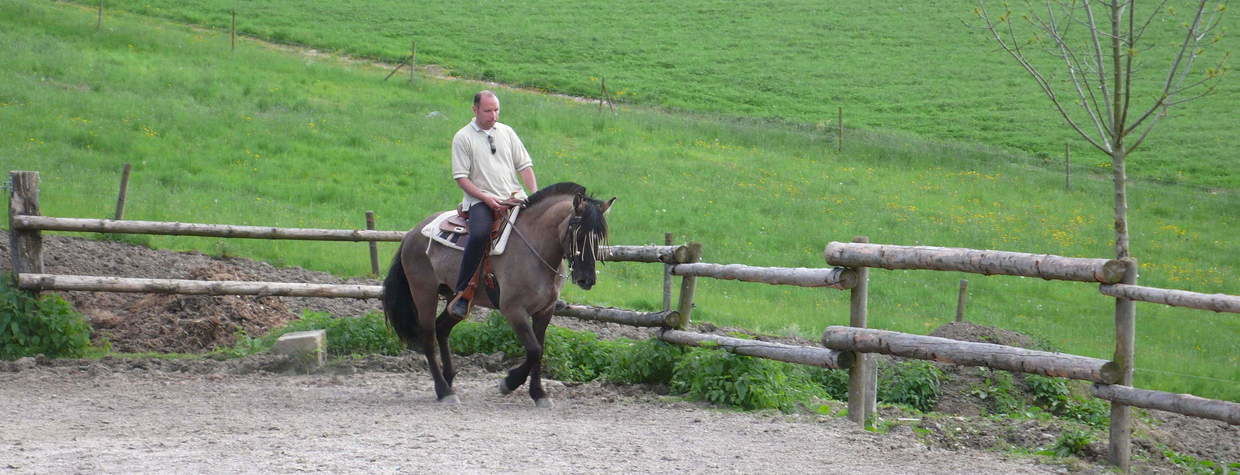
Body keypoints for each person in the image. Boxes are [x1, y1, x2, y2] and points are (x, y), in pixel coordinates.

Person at [447, 90, 538, 318]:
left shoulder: (507, 132)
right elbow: (461, 178)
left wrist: (535, 195)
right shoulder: (463, 137)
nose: (493, 115)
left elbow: (525, 166)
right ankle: (464, 291)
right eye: (488, 111)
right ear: (475, 109)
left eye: (496, 110)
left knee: (543, 231)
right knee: (479, 234)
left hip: (515, 197)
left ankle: (546, 289)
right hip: (481, 201)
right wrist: (487, 198)